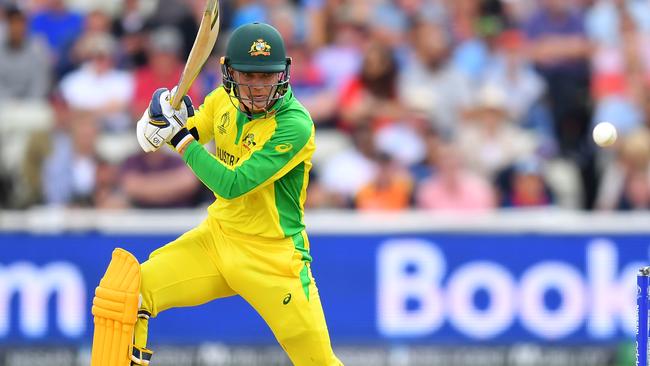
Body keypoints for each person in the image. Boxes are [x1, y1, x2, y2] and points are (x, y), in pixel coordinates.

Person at [90, 22, 342, 366]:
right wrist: (161, 120)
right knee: (127, 293)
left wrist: (177, 138)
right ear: (229, 73)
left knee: (319, 363)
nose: (257, 87)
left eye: (266, 77)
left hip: (273, 260)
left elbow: (231, 184)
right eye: (248, 76)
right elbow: (193, 129)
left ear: (282, 75)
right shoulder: (221, 100)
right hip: (217, 240)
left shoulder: (294, 125)